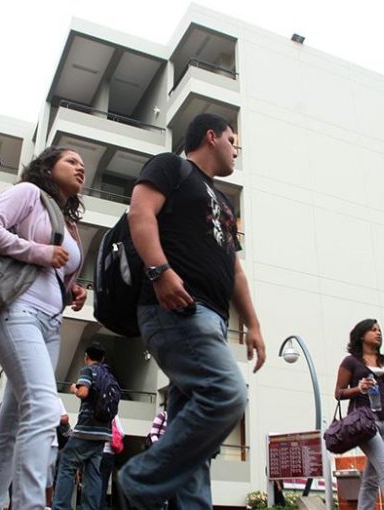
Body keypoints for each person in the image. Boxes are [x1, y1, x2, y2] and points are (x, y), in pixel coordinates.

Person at [117, 113, 266, 510]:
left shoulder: (223, 201)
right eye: (232, 139)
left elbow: (235, 269)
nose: (236, 149)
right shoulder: (171, 166)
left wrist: (252, 324)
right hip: (178, 310)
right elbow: (140, 213)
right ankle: (138, 481)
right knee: (227, 395)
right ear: (211, 136)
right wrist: (160, 271)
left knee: (194, 439)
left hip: (211, 319)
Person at [0, 145, 88, 510]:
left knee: (10, 425)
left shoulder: (68, 221)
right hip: (15, 311)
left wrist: (73, 290)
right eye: (71, 161)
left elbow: (55, 272)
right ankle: (31, 505)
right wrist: (38, 252)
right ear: (48, 168)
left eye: (83, 165)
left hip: (50, 323)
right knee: (43, 408)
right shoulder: (28, 193)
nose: (80, 167)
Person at [334, 319, 384, 510]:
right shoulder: (351, 361)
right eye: (373, 330)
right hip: (365, 424)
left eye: (379, 330)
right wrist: (358, 389)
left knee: (372, 477)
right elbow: (339, 392)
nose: (378, 333)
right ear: (362, 335)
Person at [52, 344, 114, 510]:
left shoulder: (88, 370)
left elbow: (83, 393)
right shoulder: (108, 374)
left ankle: (60, 506)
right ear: (103, 359)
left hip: (87, 429)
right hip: (104, 431)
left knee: (66, 463)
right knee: (93, 471)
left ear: (87, 357)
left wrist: (74, 389)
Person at [99, 414, 123, 509]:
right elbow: (121, 432)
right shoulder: (113, 415)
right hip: (108, 453)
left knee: (92, 483)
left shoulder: (92, 410)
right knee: (103, 485)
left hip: (94, 453)